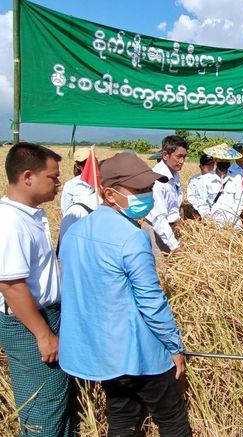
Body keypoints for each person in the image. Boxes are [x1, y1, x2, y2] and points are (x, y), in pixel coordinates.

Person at [58, 152, 192, 436]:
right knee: (172, 420)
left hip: (102, 354)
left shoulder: (74, 231)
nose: (148, 195)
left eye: (148, 189)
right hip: (139, 353)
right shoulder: (132, 237)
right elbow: (150, 301)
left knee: (120, 417)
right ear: (109, 194)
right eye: (139, 190)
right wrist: (174, 346)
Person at [0, 142, 72, 436]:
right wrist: (43, 334)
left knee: (57, 401)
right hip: (29, 323)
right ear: (28, 177)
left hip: (43, 316)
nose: (58, 183)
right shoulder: (10, 222)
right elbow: (11, 285)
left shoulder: (30, 215)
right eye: (53, 177)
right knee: (43, 409)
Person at [144, 135, 188, 259]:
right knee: (161, 271)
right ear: (165, 155)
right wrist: (175, 246)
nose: (182, 161)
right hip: (157, 231)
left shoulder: (175, 174)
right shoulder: (158, 180)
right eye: (179, 157)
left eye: (184, 157)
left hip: (169, 229)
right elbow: (159, 218)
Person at [187, 153, 243, 228]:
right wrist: (208, 218)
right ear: (216, 160)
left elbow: (239, 201)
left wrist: (233, 218)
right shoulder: (206, 179)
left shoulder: (237, 178)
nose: (224, 162)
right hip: (213, 223)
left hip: (234, 223)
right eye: (221, 160)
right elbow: (202, 201)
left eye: (226, 160)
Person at [60, 147, 95, 215]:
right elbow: (66, 212)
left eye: (91, 162)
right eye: (84, 164)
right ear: (78, 166)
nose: (89, 166)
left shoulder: (105, 179)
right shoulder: (71, 185)